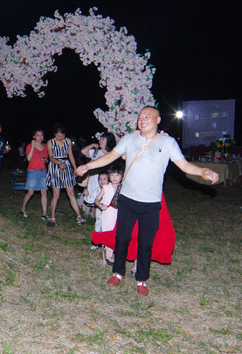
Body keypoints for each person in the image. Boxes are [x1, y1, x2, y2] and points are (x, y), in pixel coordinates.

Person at [77, 106, 220, 296]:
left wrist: (203, 171)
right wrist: (87, 166)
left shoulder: (168, 142)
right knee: (122, 238)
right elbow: (110, 157)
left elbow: (184, 165)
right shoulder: (129, 139)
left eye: (147, 116)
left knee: (146, 242)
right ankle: (118, 272)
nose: (142, 120)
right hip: (127, 199)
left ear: (158, 120)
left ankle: (141, 278)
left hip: (151, 203)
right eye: (140, 117)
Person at [46, 124, 86, 227]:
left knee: (71, 193)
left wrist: (74, 168)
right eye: (58, 136)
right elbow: (50, 157)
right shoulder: (50, 142)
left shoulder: (68, 141)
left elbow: (70, 155)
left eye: (62, 136)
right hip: (55, 167)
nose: (60, 138)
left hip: (67, 167)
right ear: (55, 134)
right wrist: (58, 163)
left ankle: (79, 216)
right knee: (56, 195)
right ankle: (53, 218)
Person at [94, 164, 124, 264]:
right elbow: (97, 199)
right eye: (112, 175)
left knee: (118, 234)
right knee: (107, 233)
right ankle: (106, 256)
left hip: (120, 214)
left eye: (117, 175)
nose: (114, 178)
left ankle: (117, 254)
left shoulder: (123, 188)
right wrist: (101, 205)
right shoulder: (106, 188)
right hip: (108, 214)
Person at [19, 129, 50, 221]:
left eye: (41, 135)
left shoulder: (45, 146)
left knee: (44, 192)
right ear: (34, 137)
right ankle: (22, 210)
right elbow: (28, 158)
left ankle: (44, 214)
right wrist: (32, 146)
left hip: (43, 171)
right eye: (37, 135)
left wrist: (46, 160)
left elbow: (47, 159)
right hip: (32, 171)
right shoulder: (29, 145)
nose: (40, 137)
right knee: (30, 192)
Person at [80, 132, 117, 211]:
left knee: (104, 200)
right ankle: (97, 220)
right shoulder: (96, 152)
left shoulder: (112, 155)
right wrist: (92, 145)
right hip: (93, 179)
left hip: (104, 181)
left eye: (103, 139)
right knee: (95, 200)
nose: (100, 140)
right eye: (100, 138)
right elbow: (83, 151)